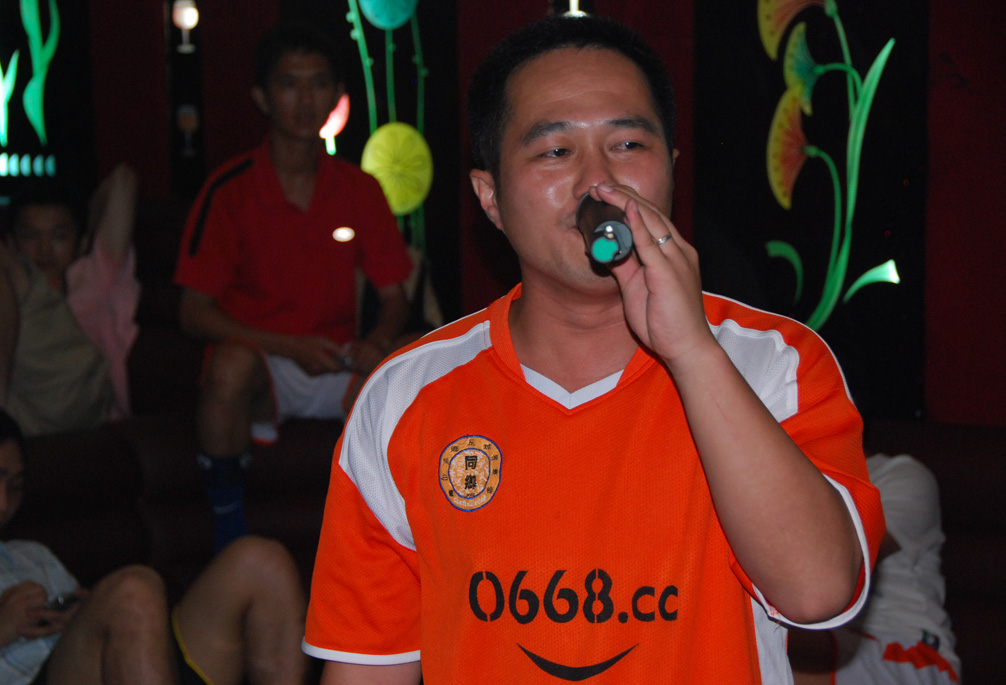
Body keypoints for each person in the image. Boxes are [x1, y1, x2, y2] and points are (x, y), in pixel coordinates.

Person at [303, 14, 884, 683]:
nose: (597, 182)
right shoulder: (405, 397)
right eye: (555, 151)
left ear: (670, 172)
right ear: (490, 198)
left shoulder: (776, 363)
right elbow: (369, 667)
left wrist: (691, 351)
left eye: (628, 143)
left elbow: (819, 592)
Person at [173, 22, 412, 552]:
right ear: (262, 97)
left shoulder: (360, 189)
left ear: (337, 95)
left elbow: (395, 297)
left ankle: (398, 545)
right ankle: (228, 536)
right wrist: (288, 346)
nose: (305, 100)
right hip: (266, 363)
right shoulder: (229, 190)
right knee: (229, 364)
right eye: (289, 84)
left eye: (319, 84)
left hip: (338, 358)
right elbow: (193, 311)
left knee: (419, 358)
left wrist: (377, 342)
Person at [0, 408, 309, 684]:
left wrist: (78, 618)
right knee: (133, 591)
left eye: (14, 487)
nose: (3, 502)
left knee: (261, 561)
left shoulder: (33, 555)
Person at [789, 453, 961, 684]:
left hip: (903, 643)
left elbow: (854, 556)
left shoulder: (900, 474)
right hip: (823, 635)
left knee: (766, 644)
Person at [1, 164, 139, 435]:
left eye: (59, 236)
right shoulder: (11, 286)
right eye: (30, 237)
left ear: (82, 241)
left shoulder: (95, 275)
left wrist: (86, 224)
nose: (44, 250)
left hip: (79, 393)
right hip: (25, 406)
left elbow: (124, 179)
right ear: (13, 244)